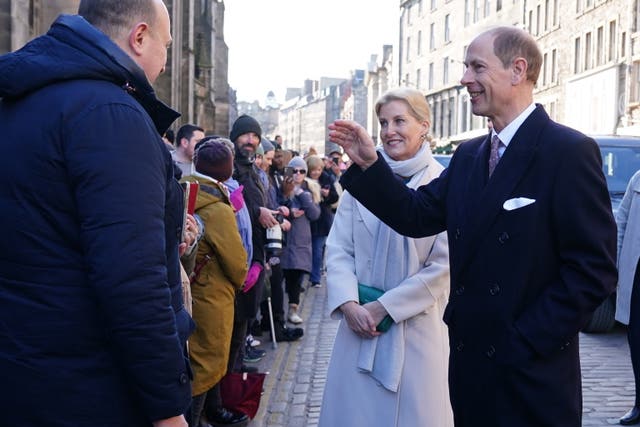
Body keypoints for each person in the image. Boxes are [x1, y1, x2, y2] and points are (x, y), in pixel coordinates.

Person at [328, 26, 617, 427]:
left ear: (518, 70)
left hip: (530, 376)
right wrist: (369, 164)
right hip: (469, 371)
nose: (464, 79)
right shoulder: (469, 155)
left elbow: (593, 270)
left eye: (477, 67)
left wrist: (526, 341)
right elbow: (415, 214)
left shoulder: (567, 152)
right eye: (466, 67)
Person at [0, 1, 193, 426]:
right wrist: (167, 409)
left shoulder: (26, 97)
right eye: (166, 45)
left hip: (26, 370)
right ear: (139, 37)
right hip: (90, 386)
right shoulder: (111, 115)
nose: (164, 64)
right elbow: (132, 281)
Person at [319, 88, 453, 427]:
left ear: (424, 125)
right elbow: (339, 249)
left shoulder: (443, 182)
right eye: (383, 122)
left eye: (399, 121)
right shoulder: (361, 183)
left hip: (417, 330)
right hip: (359, 327)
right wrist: (349, 304)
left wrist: (386, 308)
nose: (389, 130)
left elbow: (443, 266)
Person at [181, 140, 249, 427]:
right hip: (211, 296)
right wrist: (244, 277)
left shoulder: (184, 189)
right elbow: (235, 261)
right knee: (205, 367)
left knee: (191, 362)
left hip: (187, 289)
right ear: (226, 169)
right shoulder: (218, 207)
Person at [280, 156, 321, 324]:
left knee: (297, 276)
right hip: (283, 238)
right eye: (294, 170)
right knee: (281, 276)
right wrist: (289, 211)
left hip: (300, 239)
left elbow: (314, 214)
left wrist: (300, 193)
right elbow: (275, 204)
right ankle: (276, 315)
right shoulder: (281, 186)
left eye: (301, 171)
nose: (297, 174)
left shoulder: (309, 189)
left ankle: (293, 309)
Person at [615, 170, 640, 425]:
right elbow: (620, 224)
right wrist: (615, 268)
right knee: (637, 341)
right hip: (637, 273)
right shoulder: (637, 178)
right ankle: (639, 404)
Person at [306, 155, 339, 288]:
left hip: (323, 219)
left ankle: (315, 277)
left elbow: (335, 197)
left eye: (319, 169)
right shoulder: (304, 180)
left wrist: (327, 195)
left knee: (318, 248)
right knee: (313, 249)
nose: (316, 172)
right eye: (314, 170)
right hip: (308, 219)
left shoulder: (326, 178)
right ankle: (313, 273)